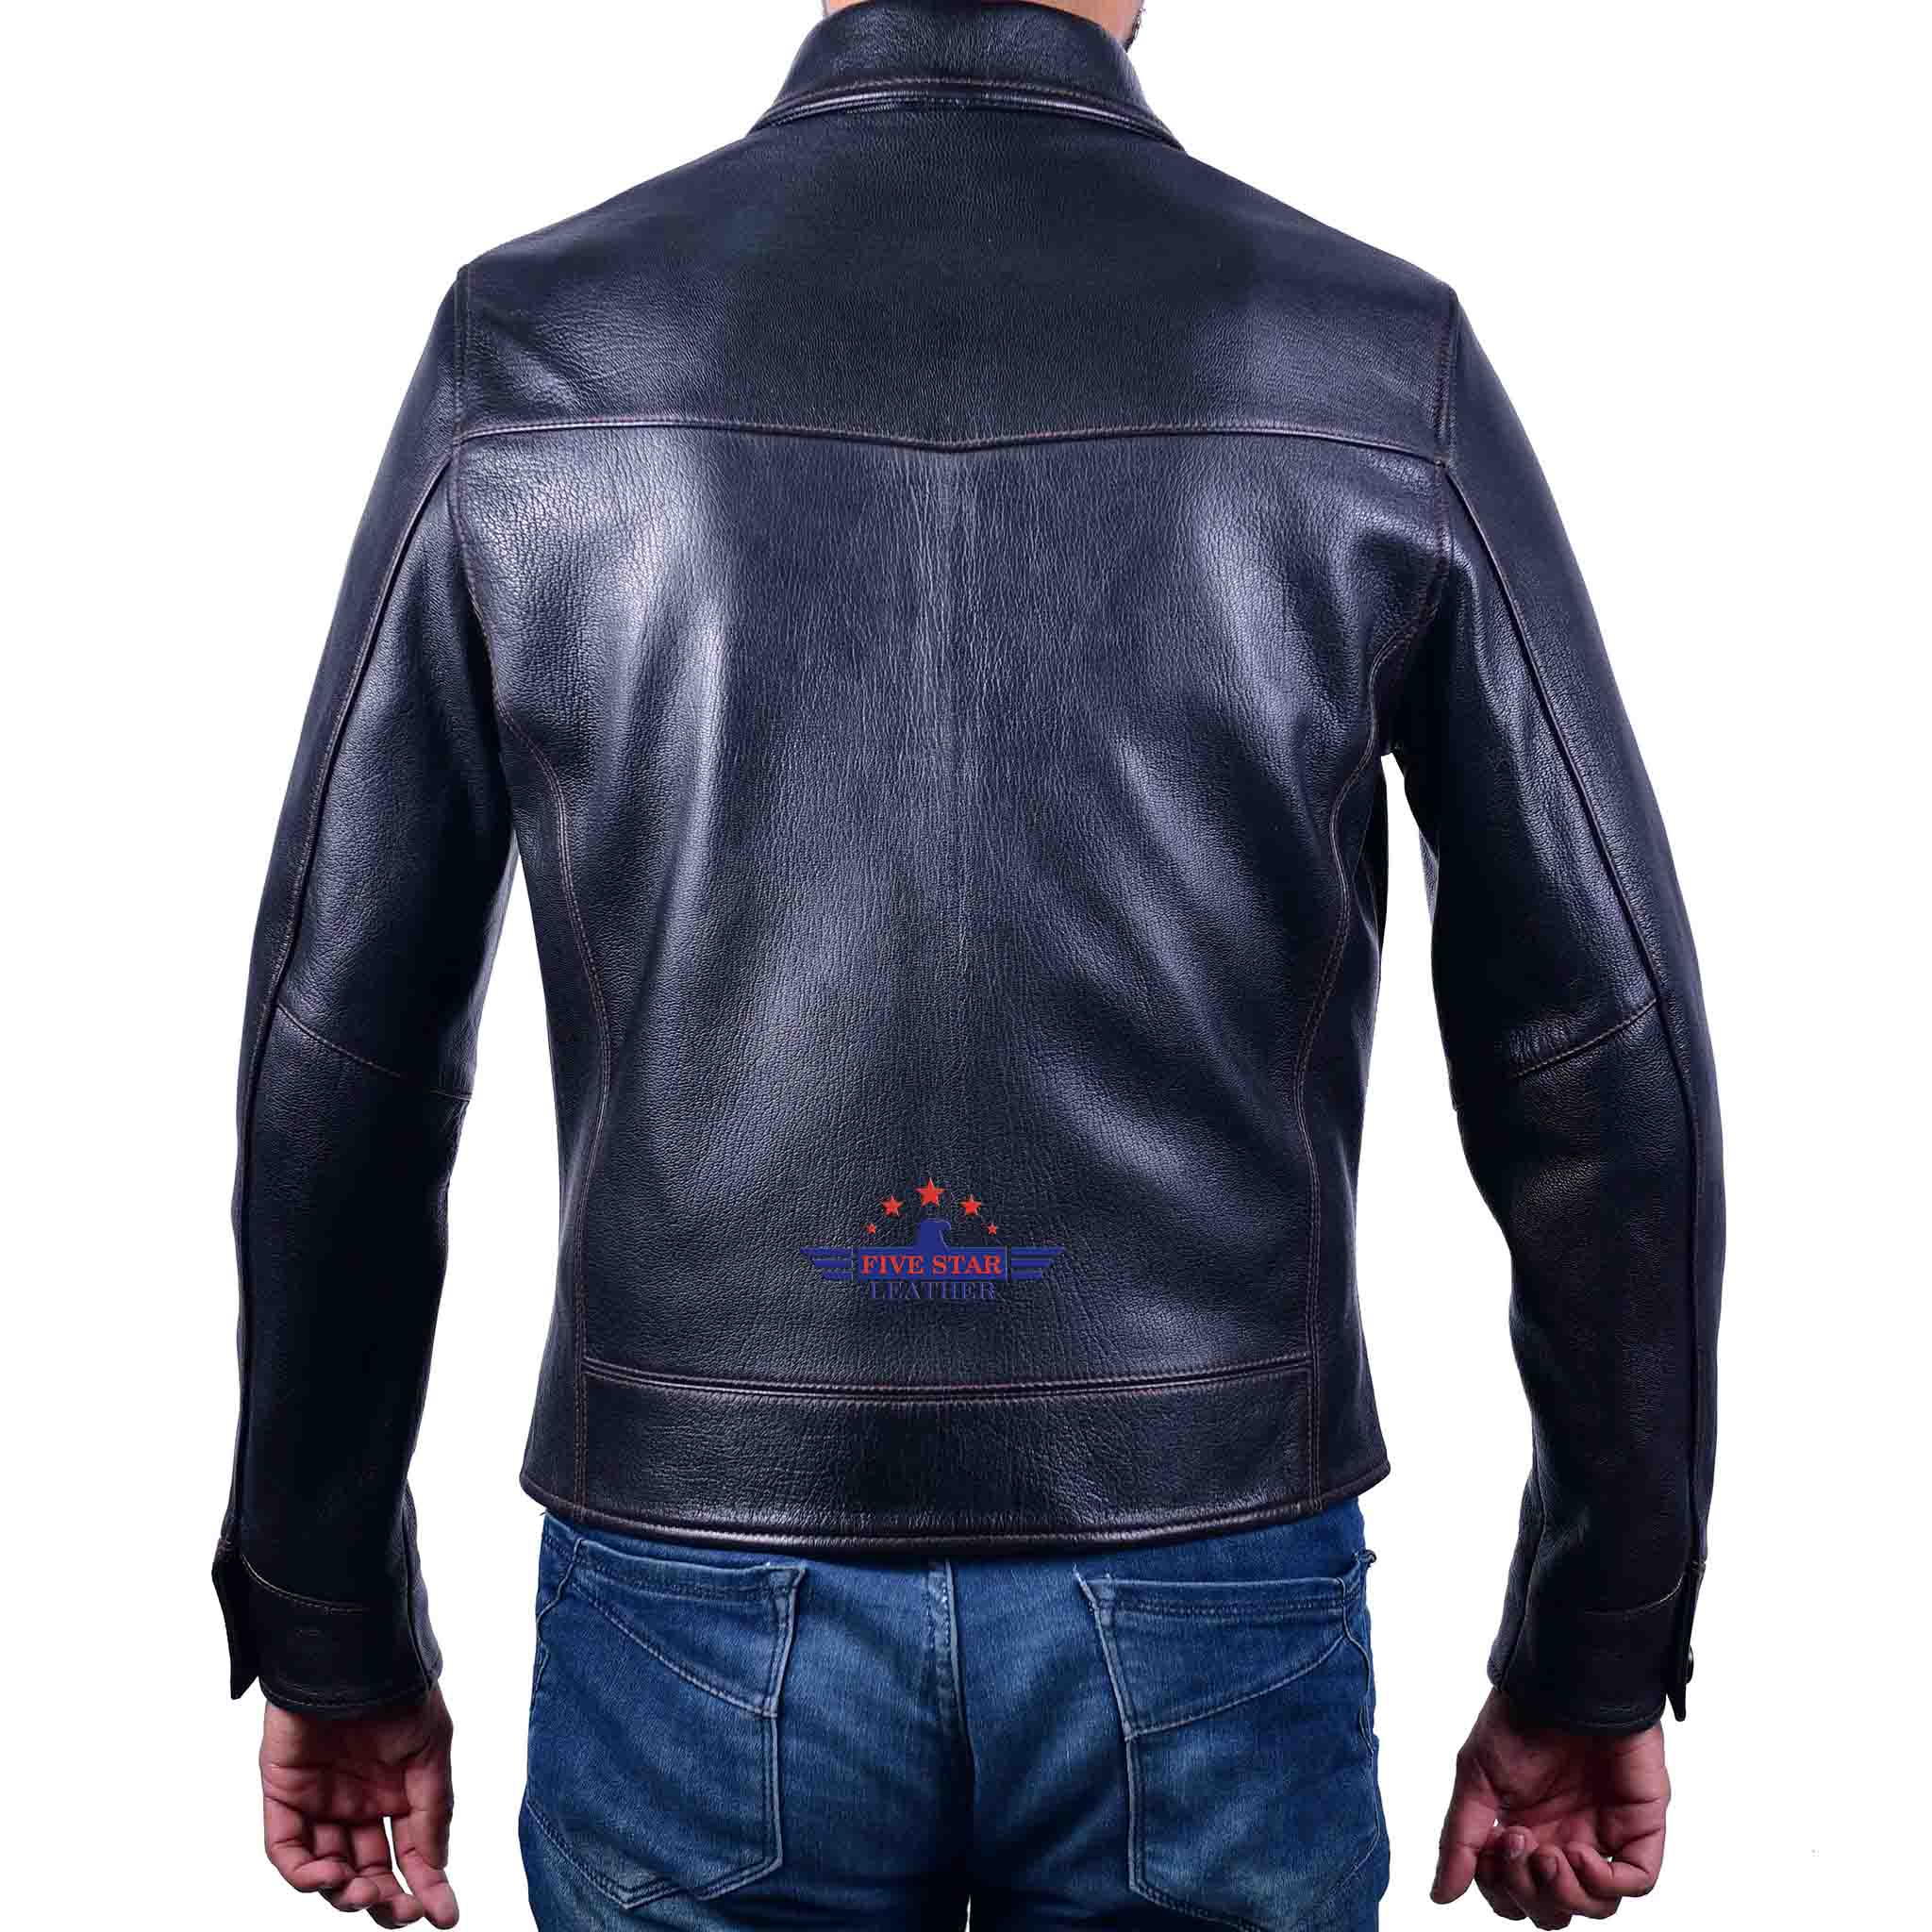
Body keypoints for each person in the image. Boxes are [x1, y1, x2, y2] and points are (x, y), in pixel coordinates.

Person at [215, 2, 1723, 1925]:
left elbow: (342, 1038)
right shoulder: (1366, 357)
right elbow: (1598, 1045)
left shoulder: (536, 349)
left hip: (698, 1581)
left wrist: (331, 1620)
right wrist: (1594, 1639)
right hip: (1199, 1566)